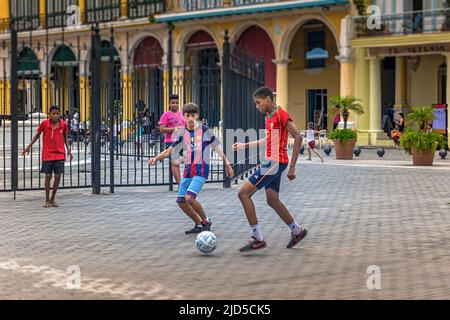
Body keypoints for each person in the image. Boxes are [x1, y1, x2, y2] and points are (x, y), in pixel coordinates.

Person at [233, 86, 306, 252]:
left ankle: (257, 238)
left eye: (258, 103)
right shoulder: (269, 115)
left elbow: (298, 136)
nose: (257, 106)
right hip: (273, 161)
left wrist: (292, 167)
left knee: (243, 194)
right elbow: (268, 140)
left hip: (275, 162)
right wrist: (245, 145)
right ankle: (297, 231)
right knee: (272, 200)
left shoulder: (281, 114)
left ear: (268, 99)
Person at [149, 103, 234, 234]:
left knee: (189, 198)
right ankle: (198, 224)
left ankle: (206, 220)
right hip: (189, 171)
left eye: (193, 115)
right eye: (187, 115)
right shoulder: (182, 134)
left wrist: (227, 165)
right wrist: (156, 158)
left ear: (197, 115)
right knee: (181, 200)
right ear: (183, 116)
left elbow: (217, 148)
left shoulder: (205, 130)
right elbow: (169, 151)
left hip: (201, 170)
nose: (190, 118)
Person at [21, 105, 73, 208]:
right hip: (47, 154)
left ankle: (52, 199)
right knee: (48, 176)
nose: (55, 115)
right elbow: (37, 135)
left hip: (59, 154)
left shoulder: (63, 124)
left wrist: (69, 150)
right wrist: (28, 147)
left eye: (57, 113)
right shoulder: (44, 124)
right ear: (49, 114)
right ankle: (46, 200)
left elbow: (65, 138)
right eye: (53, 113)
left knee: (58, 177)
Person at [158, 94, 186, 185]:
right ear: (169, 104)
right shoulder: (165, 115)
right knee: (175, 163)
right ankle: (180, 185)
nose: (175, 104)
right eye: (173, 103)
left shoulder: (182, 114)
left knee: (188, 161)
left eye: (177, 103)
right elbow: (162, 129)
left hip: (182, 141)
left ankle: (187, 182)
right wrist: (175, 129)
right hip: (170, 141)